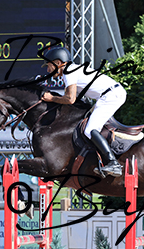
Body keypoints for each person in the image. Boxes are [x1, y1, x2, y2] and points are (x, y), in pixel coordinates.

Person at [40, 46, 126, 177]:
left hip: (110, 96)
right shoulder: (71, 71)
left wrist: (51, 98)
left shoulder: (68, 72)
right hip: (109, 94)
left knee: (90, 130)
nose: (48, 70)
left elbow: (70, 99)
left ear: (58, 63)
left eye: (49, 66)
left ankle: (113, 163)